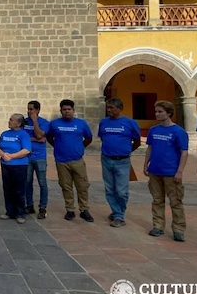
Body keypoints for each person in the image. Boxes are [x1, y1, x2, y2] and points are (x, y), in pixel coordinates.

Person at [143, 100, 188, 241]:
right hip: (155, 170)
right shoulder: (153, 130)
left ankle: (178, 229)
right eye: (156, 111)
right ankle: (158, 226)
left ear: (169, 113)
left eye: (160, 111)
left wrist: (180, 171)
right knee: (157, 200)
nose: (157, 114)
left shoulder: (178, 131)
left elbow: (184, 152)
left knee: (175, 201)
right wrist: (146, 164)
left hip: (171, 171)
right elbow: (150, 148)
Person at [47, 99, 94, 222]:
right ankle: (70, 209)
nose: (67, 111)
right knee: (66, 186)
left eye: (69, 109)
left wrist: (79, 148)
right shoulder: (54, 124)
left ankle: (84, 209)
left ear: (73, 110)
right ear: (61, 111)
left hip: (77, 160)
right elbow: (49, 137)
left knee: (82, 186)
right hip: (61, 161)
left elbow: (89, 138)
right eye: (64, 109)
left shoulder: (81, 124)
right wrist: (58, 147)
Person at [98, 98, 141, 228]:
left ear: (120, 108)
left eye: (112, 108)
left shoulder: (130, 123)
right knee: (109, 189)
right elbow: (102, 137)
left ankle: (119, 214)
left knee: (121, 191)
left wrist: (125, 151)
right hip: (106, 159)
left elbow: (137, 142)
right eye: (108, 107)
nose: (109, 110)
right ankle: (117, 214)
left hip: (122, 161)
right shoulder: (104, 122)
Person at [0, 114, 32, 224]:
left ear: (18, 123)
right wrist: (2, 154)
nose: (9, 121)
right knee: (8, 189)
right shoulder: (4, 133)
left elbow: (26, 150)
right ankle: (10, 212)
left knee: (19, 190)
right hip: (6, 165)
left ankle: (20, 213)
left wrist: (12, 156)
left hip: (19, 166)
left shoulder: (23, 135)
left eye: (11, 120)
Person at [24, 101, 50, 219]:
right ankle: (29, 205)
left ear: (38, 110)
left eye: (32, 109)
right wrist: (35, 139)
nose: (29, 111)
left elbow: (40, 135)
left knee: (42, 183)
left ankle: (42, 207)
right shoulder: (24, 122)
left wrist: (34, 121)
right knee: (27, 182)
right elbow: (23, 137)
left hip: (39, 157)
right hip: (27, 157)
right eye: (28, 109)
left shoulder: (44, 122)